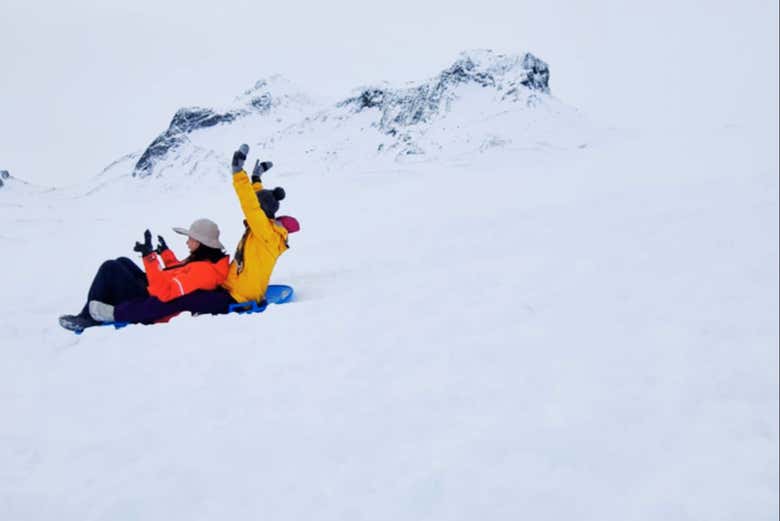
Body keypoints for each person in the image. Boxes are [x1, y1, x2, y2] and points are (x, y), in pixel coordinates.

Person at [58, 218, 230, 332]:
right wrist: (165, 254)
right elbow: (180, 272)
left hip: (151, 297)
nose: (187, 242)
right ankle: (99, 306)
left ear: (201, 243)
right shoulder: (204, 261)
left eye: (191, 239)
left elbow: (167, 292)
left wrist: (150, 258)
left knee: (110, 268)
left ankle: (87, 317)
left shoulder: (205, 271)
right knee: (123, 261)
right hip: (154, 288)